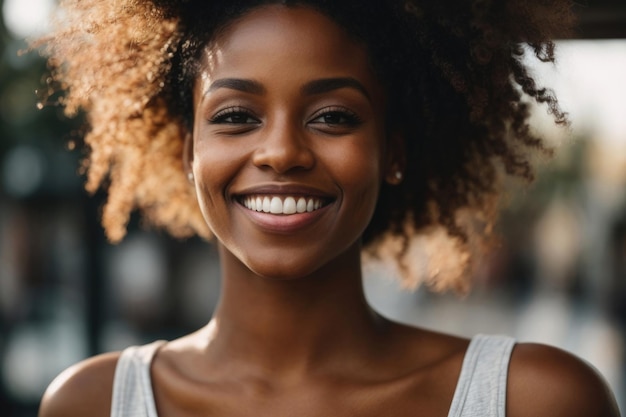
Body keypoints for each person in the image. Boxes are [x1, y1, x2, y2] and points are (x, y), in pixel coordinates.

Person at [35, 0, 620, 416]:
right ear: (189, 152)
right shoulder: (91, 403)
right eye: (236, 115)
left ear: (391, 152)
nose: (282, 152)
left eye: (334, 116)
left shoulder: (536, 399)